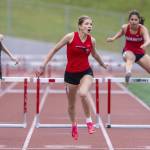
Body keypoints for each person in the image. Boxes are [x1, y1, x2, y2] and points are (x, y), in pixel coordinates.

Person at [36, 15, 107, 140]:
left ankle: (89, 121)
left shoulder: (92, 40)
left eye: (91, 24)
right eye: (86, 24)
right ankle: (74, 124)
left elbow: (94, 54)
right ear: (80, 26)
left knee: (83, 93)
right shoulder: (70, 37)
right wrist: (43, 65)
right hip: (70, 74)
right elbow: (54, 49)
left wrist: (102, 63)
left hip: (86, 72)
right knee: (71, 105)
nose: (89, 26)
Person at [107, 10, 150, 83]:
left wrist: (144, 45)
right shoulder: (125, 27)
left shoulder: (142, 29)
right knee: (131, 57)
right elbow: (120, 33)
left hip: (140, 53)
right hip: (128, 52)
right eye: (132, 19)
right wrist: (113, 38)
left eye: (136, 20)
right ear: (129, 20)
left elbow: (148, 40)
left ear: (139, 20)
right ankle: (128, 72)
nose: (133, 22)